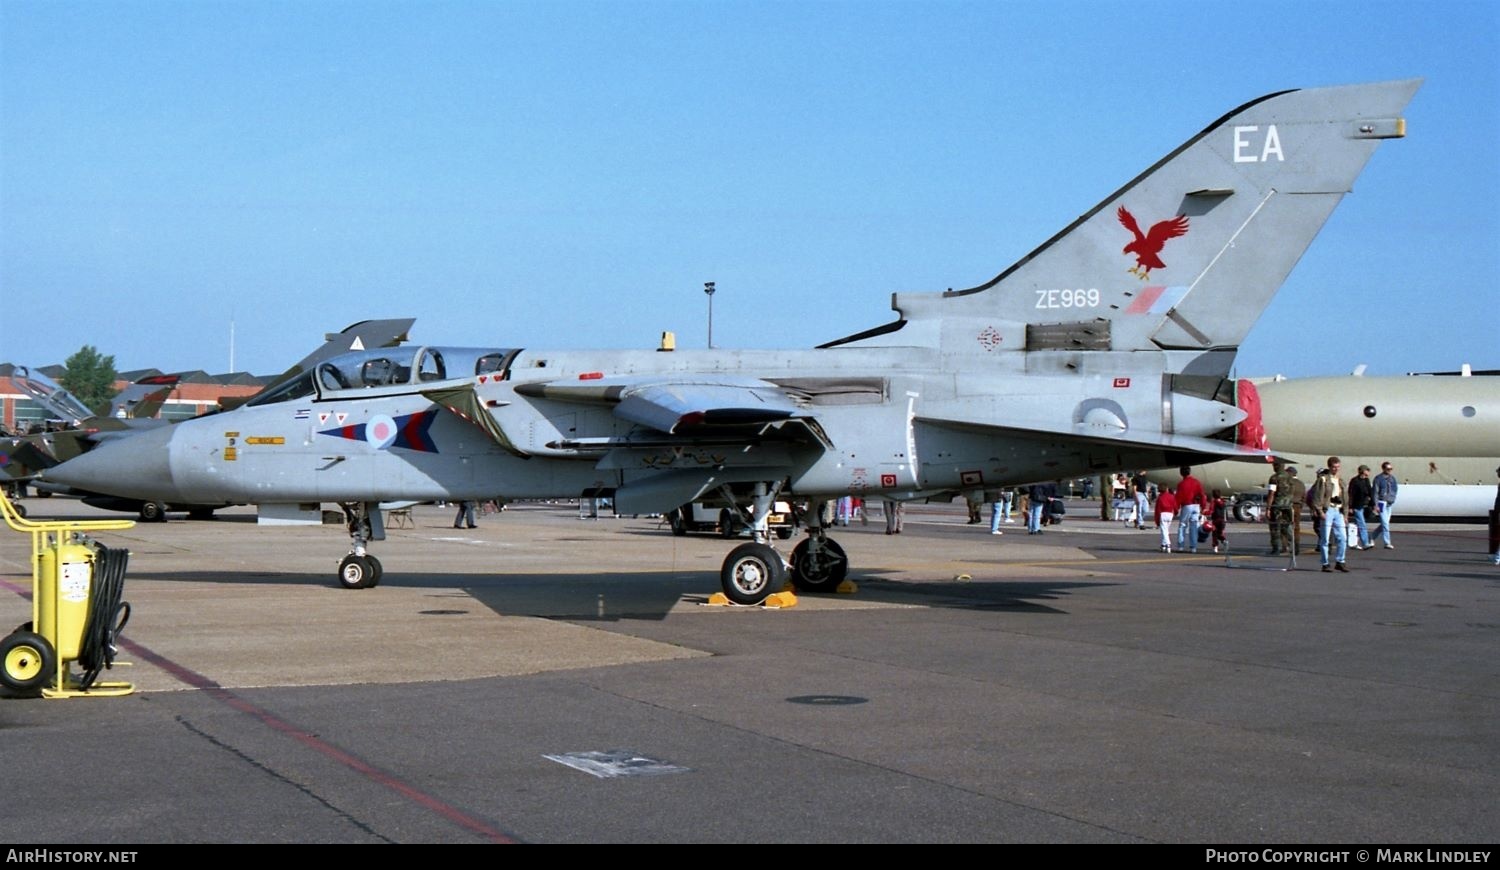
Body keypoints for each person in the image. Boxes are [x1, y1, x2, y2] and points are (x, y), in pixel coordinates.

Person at [1308, 456, 1349, 572]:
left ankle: (1340, 561)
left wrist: (1345, 514)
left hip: (1338, 510)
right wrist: (1320, 511)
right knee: (1325, 538)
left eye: (1338, 467)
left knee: (1343, 537)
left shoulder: (1341, 480)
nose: (1336, 469)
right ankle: (1325, 563)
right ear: (1330, 467)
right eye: (1334, 467)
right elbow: (1317, 496)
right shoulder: (1323, 479)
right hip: (1328, 510)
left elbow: (1345, 498)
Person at [1268, 464, 1304, 556]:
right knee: (1288, 527)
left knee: (1275, 527)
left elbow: (1271, 493)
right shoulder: (1291, 478)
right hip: (1288, 505)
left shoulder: (1274, 478)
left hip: (1277, 505)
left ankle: (1275, 548)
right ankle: (1295, 546)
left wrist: (1268, 507)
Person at [1174, 466, 1206, 553]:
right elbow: (1202, 495)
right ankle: (1193, 547)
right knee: (1194, 526)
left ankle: (1181, 546)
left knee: (1183, 525)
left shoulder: (1181, 484)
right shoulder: (1196, 482)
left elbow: (1178, 497)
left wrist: (1176, 509)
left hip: (1187, 505)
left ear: (1181, 473)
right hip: (1196, 505)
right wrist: (1203, 506)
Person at [1347, 465, 1375, 550]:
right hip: (1357, 505)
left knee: (1359, 524)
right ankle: (1365, 543)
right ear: (1362, 471)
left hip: (1364, 505)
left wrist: (1373, 504)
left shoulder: (1366, 480)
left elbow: (1370, 492)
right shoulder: (1354, 481)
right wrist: (1350, 506)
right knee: (1362, 524)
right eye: (1367, 471)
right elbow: (1351, 494)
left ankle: (1354, 541)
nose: (1368, 474)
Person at [1372, 461, 1399, 549]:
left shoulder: (1392, 479)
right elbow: (1375, 492)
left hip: (1389, 503)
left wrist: (1393, 498)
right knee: (1385, 523)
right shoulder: (1378, 479)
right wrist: (1376, 505)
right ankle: (1387, 542)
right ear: (1383, 469)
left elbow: (1395, 489)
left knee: (1385, 523)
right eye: (1388, 469)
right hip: (1381, 502)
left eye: (1391, 469)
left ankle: (1371, 537)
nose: (1390, 471)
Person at [1154, 486, 1177, 553]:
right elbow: (1175, 505)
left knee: (1164, 531)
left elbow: (1157, 509)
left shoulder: (1160, 498)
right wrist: (1175, 512)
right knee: (1166, 530)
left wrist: (1157, 519)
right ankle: (1163, 545)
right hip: (1170, 514)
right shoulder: (1171, 496)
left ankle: (1168, 544)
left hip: (1163, 513)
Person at [1207, 489, 1228, 553]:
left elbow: (1211, 511)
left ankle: (1215, 547)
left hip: (1215, 520)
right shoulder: (1223, 502)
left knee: (1214, 534)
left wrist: (1204, 512)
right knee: (1220, 532)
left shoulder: (1213, 502)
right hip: (1222, 520)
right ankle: (1224, 540)